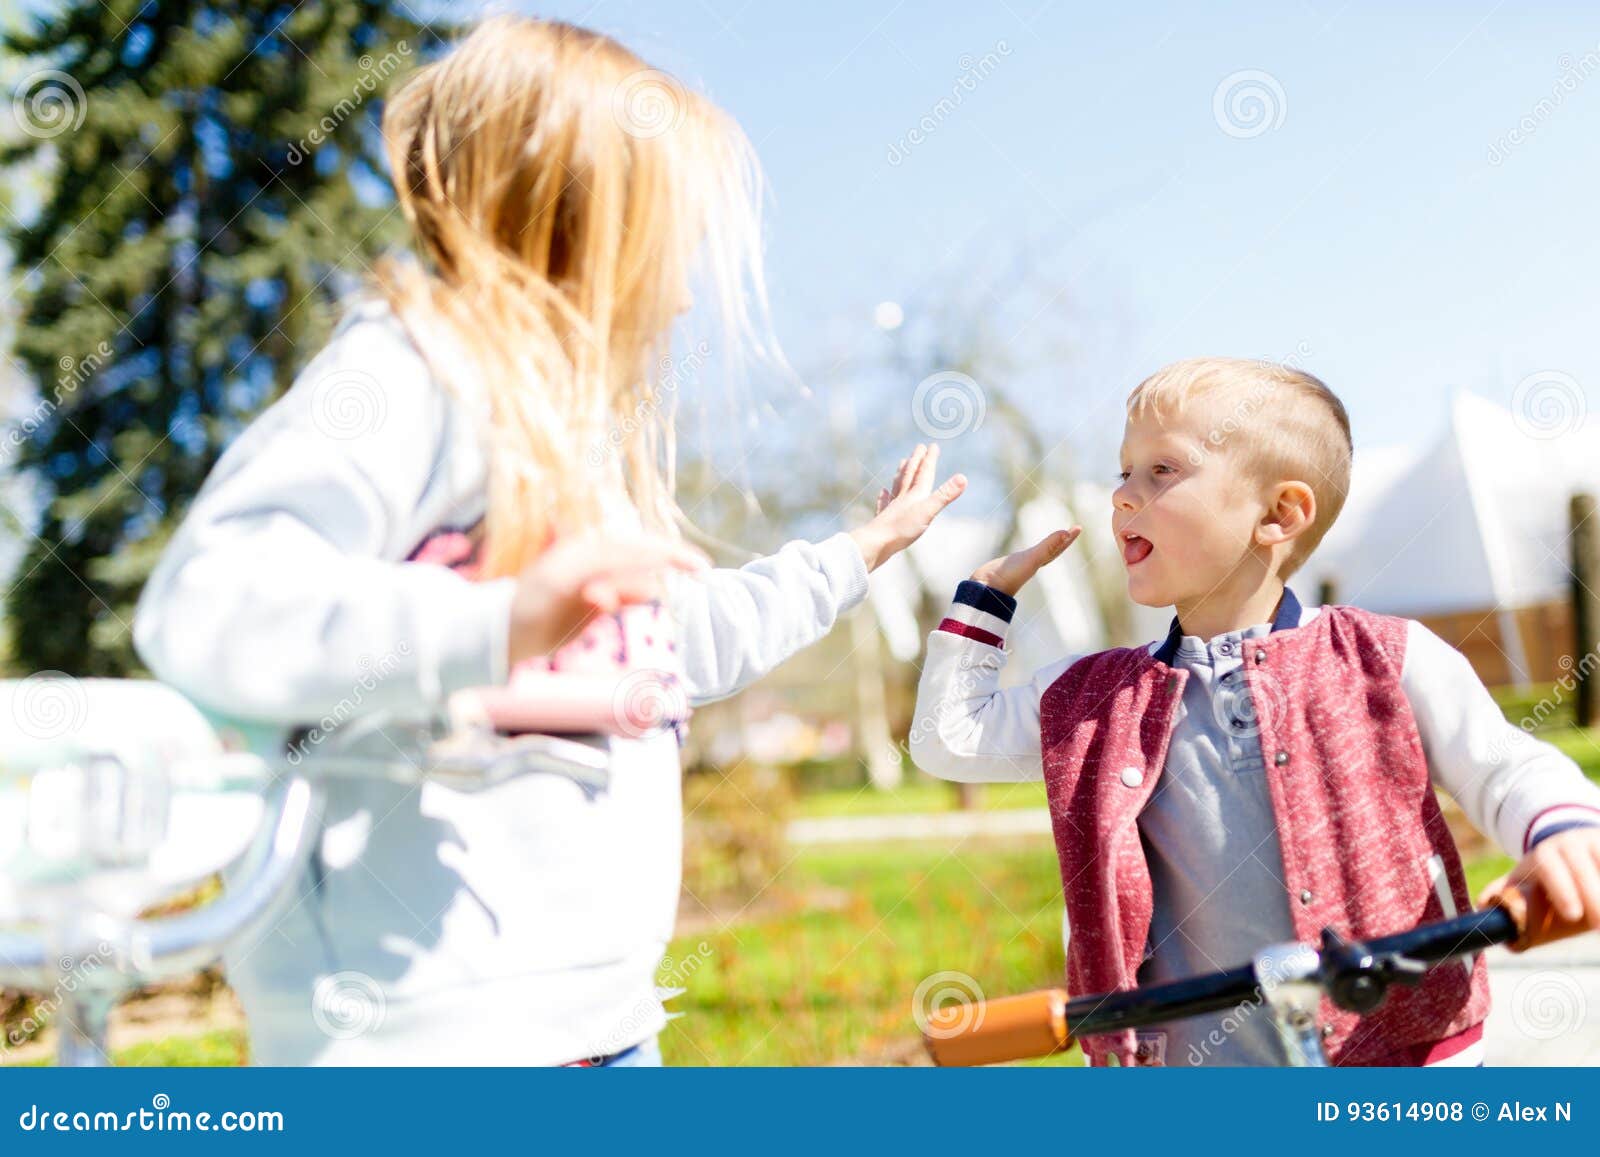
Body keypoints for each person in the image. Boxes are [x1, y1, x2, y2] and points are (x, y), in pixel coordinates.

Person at [133, 15, 965, 1066]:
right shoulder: (406, 374)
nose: (684, 287)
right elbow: (212, 601)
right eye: (668, 240)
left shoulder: (575, 445)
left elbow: (683, 639)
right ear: (573, 223)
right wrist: (498, 623)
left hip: (607, 1037)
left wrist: (860, 551)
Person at [909, 356, 1600, 1066]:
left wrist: (1565, 833)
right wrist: (983, 598)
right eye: (1123, 471)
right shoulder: (1098, 699)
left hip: (1403, 1061)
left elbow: (1507, 768)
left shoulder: (1385, 656)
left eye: (1161, 471)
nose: (1121, 496)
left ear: (1279, 514)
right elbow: (947, 739)